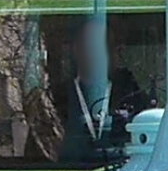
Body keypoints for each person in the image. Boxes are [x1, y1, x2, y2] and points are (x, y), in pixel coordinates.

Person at [57, 18, 149, 163]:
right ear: (75, 49)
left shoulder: (133, 96)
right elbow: (39, 152)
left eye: (105, 46)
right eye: (90, 46)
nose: (97, 54)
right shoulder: (55, 97)